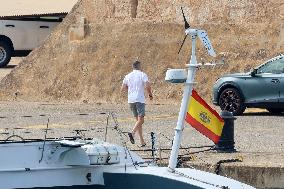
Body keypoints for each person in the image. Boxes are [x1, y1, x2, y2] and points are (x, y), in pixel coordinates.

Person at [121, 60, 153, 147]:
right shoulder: (142, 74)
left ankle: (142, 142)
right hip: (139, 99)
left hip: (131, 100)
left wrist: (130, 90)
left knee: (138, 121)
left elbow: (122, 88)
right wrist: (150, 94)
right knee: (141, 120)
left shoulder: (127, 76)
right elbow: (148, 86)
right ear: (139, 66)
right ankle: (132, 133)